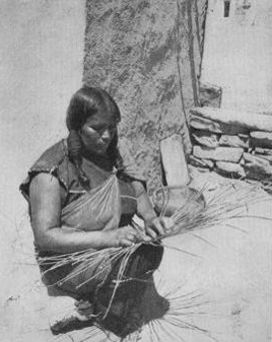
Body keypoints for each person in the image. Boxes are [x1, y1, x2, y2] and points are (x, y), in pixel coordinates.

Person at [20, 86, 167, 337]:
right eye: (96, 129)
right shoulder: (51, 171)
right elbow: (45, 237)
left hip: (105, 242)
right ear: (76, 126)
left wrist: (152, 219)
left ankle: (99, 297)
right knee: (133, 259)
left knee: (152, 248)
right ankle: (107, 315)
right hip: (67, 259)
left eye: (111, 128)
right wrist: (107, 239)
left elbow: (138, 194)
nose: (106, 136)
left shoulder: (113, 154)